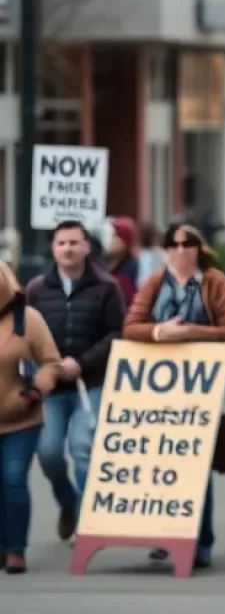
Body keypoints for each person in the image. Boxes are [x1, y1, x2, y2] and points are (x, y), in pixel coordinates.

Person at [123, 223, 225, 569]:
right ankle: (165, 534)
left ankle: (201, 540)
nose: (180, 249)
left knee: (196, 461)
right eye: (172, 243)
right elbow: (131, 326)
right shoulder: (155, 282)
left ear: (198, 248)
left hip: (201, 384)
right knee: (163, 459)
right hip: (158, 386)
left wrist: (192, 333)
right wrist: (160, 331)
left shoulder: (215, 282)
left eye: (187, 242)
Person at [27, 219, 124, 541]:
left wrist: (82, 363)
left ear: (86, 247)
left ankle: (87, 520)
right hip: (51, 388)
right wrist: (43, 366)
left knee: (84, 447)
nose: (67, 248)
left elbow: (118, 333)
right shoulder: (37, 289)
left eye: (73, 242)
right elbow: (25, 334)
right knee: (49, 452)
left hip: (91, 385)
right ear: (53, 249)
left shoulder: (107, 287)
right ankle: (67, 502)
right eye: (61, 243)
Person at [0, 259, 60, 574]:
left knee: (12, 479)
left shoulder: (28, 320)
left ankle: (15, 550)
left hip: (22, 418)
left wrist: (39, 388)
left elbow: (51, 361)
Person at [103, 216, 139, 309]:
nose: (110, 240)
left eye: (114, 236)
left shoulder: (128, 270)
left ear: (124, 241)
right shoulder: (106, 264)